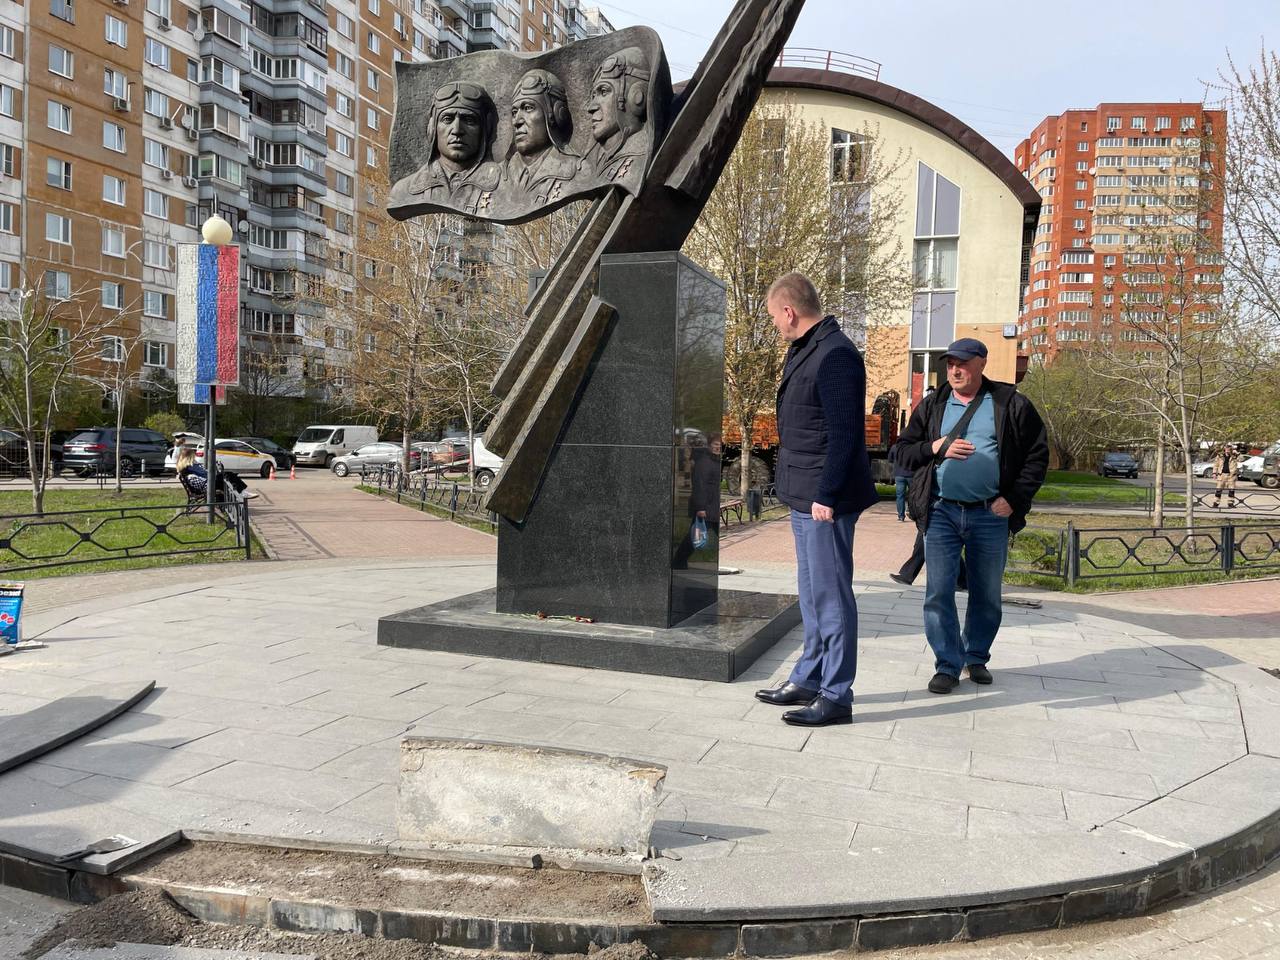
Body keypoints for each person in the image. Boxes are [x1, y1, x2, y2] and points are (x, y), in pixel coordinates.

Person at [754, 272, 878, 727]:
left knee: (831, 597)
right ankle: (808, 677)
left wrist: (826, 494)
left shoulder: (836, 354)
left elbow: (845, 434)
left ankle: (836, 694)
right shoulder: (807, 348)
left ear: (789, 311)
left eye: (774, 317)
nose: (775, 325)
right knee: (810, 593)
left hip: (825, 500)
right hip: (803, 491)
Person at [896, 338, 1047, 694]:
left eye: (962, 363)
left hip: (989, 514)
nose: (955, 370)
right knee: (938, 591)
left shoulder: (1010, 403)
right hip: (941, 511)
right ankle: (947, 664)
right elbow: (902, 452)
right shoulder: (933, 404)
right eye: (950, 363)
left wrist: (1014, 499)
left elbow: (1037, 456)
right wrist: (935, 447)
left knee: (987, 593)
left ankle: (975, 656)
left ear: (982, 363)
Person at [390, 81, 501, 217]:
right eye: (447, 119)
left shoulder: (503, 185)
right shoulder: (403, 191)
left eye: (469, 120)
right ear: (432, 128)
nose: (457, 130)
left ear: (485, 130)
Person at [504, 69, 581, 206]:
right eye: (514, 112)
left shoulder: (577, 169)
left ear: (556, 114)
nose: (517, 121)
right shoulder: (500, 174)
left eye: (528, 108)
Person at [584, 47, 652, 184]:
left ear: (636, 97)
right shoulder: (586, 163)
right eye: (593, 96)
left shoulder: (642, 154)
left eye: (603, 92)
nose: (591, 108)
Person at [673, 435, 722, 569]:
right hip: (706, 508)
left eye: (720, 445)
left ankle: (678, 561)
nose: (718, 447)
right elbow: (699, 486)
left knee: (694, 535)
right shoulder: (704, 463)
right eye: (715, 444)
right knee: (694, 536)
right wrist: (700, 508)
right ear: (709, 445)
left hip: (712, 507)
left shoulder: (715, 461)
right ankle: (678, 561)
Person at [175, 446, 256, 500]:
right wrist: (213, 474)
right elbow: (205, 475)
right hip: (208, 486)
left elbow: (204, 474)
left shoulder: (189, 467)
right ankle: (242, 492)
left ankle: (241, 493)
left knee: (228, 475)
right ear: (189, 457)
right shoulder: (191, 467)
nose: (195, 457)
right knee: (228, 475)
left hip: (208, 484)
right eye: (193, 456)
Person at [1212, 444, 1239, 509]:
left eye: (1229, 449)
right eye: (1226, 448)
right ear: (1224, 449)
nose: (1228, 450)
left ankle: (1230, 503)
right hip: (1221, 475)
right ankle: (1216, 503)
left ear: (1231, 449)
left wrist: (1238, 453)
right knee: (1218, 490)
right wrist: (1214, 473)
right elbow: (1216, 465)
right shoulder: (1220, 456)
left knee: (1231, 490)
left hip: (1231, 476)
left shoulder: (1234, 456)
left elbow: (1242, 459)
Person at [890, 442, 912, 522]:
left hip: (899, 474)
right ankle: (911, 512)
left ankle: (901, 517)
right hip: (911, 474)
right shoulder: (912, 447)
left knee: (900, 496)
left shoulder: (894, 447)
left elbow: (890, 459)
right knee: (912, 495)